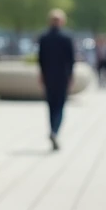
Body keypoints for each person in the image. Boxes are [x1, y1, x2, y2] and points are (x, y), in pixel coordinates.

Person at [38, 9, 76, 151]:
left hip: (48, 76)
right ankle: (55, 130)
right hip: (62, 77)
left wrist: (41, 75)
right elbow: (71, 60)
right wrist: (71, 76)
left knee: (51, 105)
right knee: (60, 106)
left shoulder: (44, 38)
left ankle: (52, 129)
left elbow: (40, 60)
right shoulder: (67, 38)